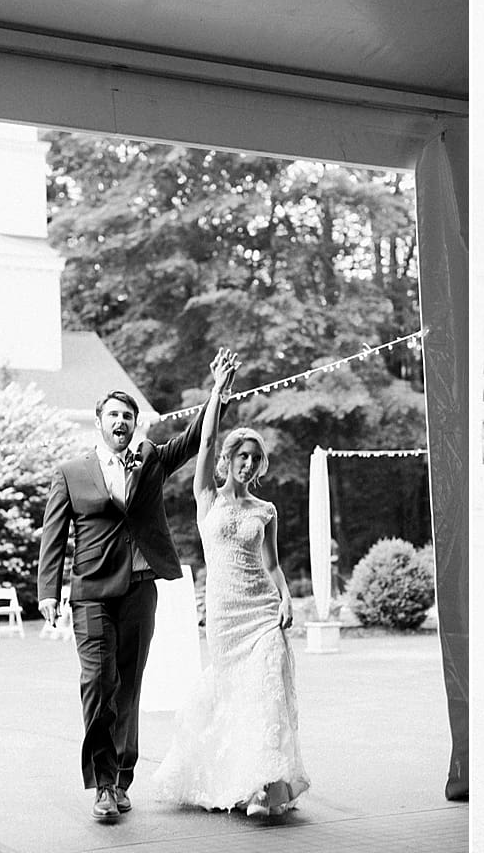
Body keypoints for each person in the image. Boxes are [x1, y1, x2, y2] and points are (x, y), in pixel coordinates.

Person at [37, 352, 229, 821]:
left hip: (142, 587)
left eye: (128, 416)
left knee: (129, 687)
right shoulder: (72, 473)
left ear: (135, 425)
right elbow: (53, 535)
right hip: (90, 592)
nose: (121, 421)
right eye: (114, 415)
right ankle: (103, 784)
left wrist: (217, 392)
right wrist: (47, 591)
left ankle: (122, 778)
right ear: (98, 421)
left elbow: (192, 442)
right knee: (98, 684)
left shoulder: (150, 461)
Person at [151, 348, 310, 817]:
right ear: (228, 460)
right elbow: (201, 445)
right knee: (234, 695)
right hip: (224, 613)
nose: (247, 464)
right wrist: (217, 391)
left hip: (262, 610)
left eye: (254, 458)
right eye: (241, 456)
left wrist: (286, 599)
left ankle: (266, 787)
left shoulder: (267, 511)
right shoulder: (207, 498)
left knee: (268, 691)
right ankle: (235, 778)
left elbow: (275, 565)